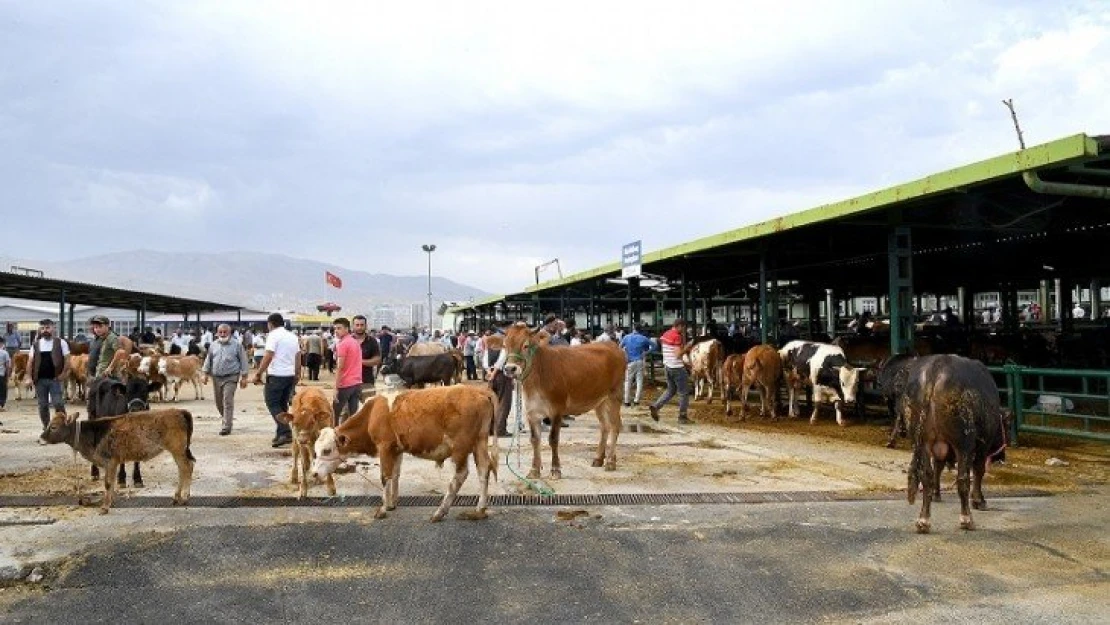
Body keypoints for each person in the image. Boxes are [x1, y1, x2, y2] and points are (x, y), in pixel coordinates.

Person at [252, 313, 301, 448]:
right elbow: (298, 356)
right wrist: (297, 373)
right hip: (289, 375)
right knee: (282, 404)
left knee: (272, 402)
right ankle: (281, 433)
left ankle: (285, 431)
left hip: (277, 375)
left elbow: (268, 355)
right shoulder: (292, 336)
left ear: (270, 324)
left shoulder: (273, 335)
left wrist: (259, 373)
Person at [202, 324, 250, 436]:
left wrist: (244, 377)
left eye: (225, 332)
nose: (223, 334)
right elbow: (208, 360)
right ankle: (226, 418)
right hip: (216, 377)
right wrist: (204, 374)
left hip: (231, 377)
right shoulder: (213, 345)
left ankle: (226, 426)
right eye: (220, 332)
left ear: (230, 333)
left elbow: (243, 361)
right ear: (217, 333)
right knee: (219, 402)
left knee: (227, 400)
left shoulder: (237, 345)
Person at [26, 318, 70, 434]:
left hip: (55, 379)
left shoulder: (61, 342)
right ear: (40, 330)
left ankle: (64, 426)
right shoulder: (35, 345)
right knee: (43, 405)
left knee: (58, 403)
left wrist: (64, 373)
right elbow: (30, 362)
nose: (45, 330)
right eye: (43, 328)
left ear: (53, 328)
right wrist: (29, 377)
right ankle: (47, 428)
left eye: (48, 328)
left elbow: (67, 359)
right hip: (39, 380)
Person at [649, 319, 694, 425]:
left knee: (670, 390)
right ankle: (682, 417)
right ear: (679, 326)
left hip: (667, 366)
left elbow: (667, 347)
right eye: (683, 328)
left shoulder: (666, 334)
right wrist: (687, 347)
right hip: (677, 367)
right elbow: (678, 354)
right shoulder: (676, 336)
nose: (684, 330)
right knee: (683, 393)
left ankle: (656, 406)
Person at [331, 317, 362, 425]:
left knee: (335, 413)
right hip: (356, 383)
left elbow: (340, 367)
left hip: (345, 384)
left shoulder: (342, 344)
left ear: (347, 329)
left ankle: (334, 436)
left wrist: (336, 388)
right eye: (335, 328)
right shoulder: (355, 342)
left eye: (339, 328)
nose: (336, 331)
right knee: (353, 415)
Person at [619, 324, 652, 407]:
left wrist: (625, 352)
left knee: (628, 381)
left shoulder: (626, 337)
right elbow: (654, 346)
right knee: (639, 380)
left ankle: (627, 401)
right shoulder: (643, 338)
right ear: (641, 329)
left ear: (633, 328)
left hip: (630, 361)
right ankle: (636, 400)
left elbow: (619, 347)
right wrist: (646, 352)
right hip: (640, 360)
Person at [350, 315, 382, 400]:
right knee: (348, 412)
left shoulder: (372, 341)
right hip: (349, 383)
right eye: (357, 325)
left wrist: (360, 361)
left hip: (367, 382)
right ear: (353, 326)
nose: (359, 327)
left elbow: (377, 360)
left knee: (369, 410)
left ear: (366, 326)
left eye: (362, 325)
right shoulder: (347, 341)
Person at [0, 344, 10, 418]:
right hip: (1, 375)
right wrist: (8, 375)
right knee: (3, 391)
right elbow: (7, 366)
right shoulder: (4, 353)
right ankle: (1, 404)